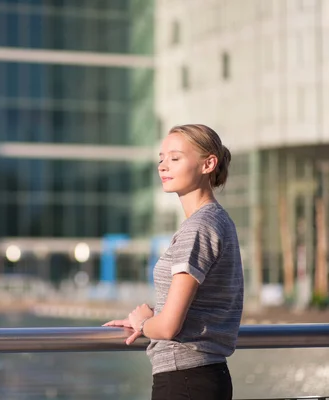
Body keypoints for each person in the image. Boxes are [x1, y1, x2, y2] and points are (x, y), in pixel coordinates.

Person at [104, 124, 244, 400]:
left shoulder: (199, 227)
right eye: (161, 158)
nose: (163, 166)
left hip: (185, 380)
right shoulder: (218, 220)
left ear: (208, 164)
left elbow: (168, 327)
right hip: (206, 376)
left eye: (175, 158)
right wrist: (148, 319)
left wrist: (145, 323)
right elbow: (202, 305)